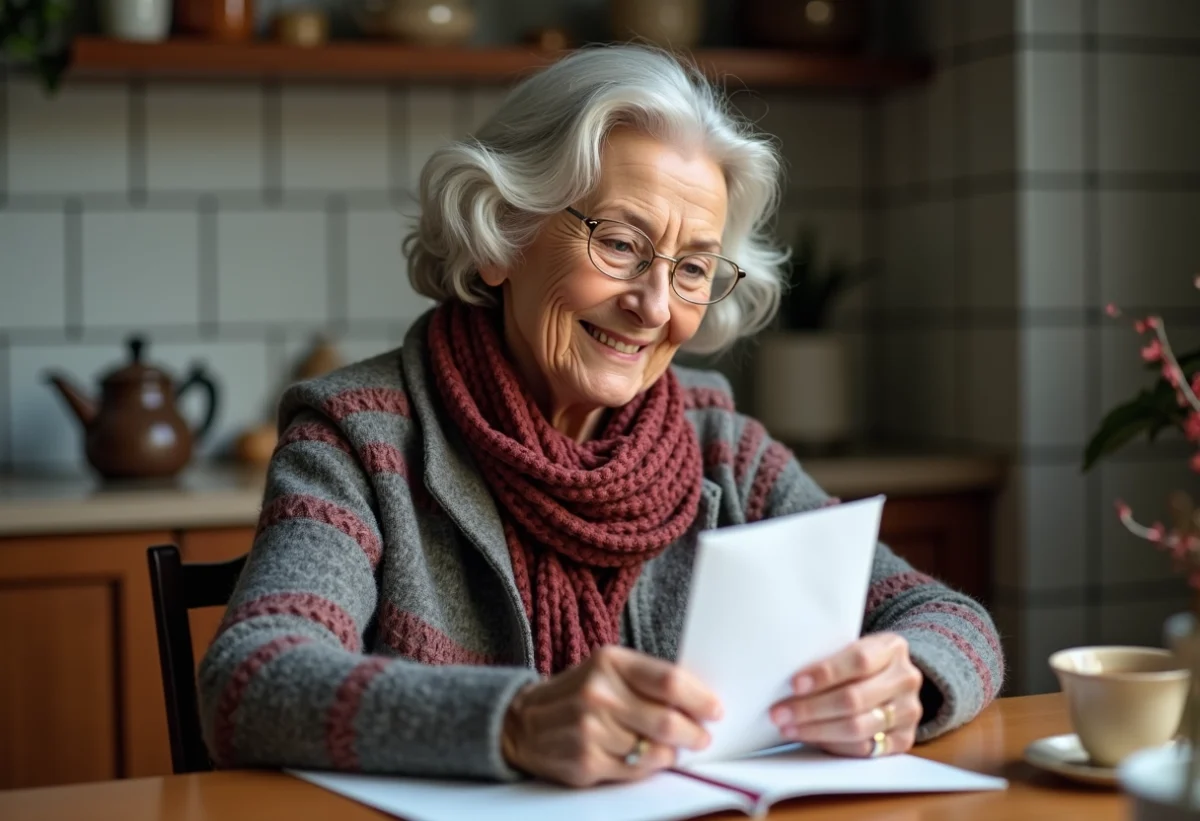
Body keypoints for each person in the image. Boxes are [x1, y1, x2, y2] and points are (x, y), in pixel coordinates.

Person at [197, 44, 1003, 788]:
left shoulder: (719, 442)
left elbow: (950, 617)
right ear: (500, 234)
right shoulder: (358, 436)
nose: (654, 305)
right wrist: (512, 722)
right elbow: (253, 677)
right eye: (619, 244)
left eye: (692, 268)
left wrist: (910, 678)